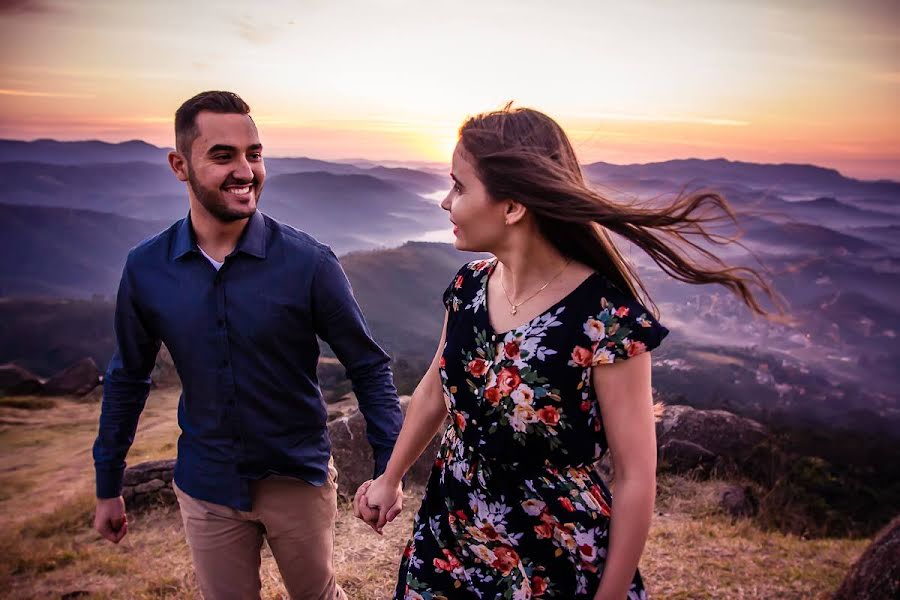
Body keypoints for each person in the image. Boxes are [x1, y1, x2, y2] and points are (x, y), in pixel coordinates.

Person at [354, 104, 780, 599]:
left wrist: (612, 594)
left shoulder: (605, 321)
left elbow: (636, 476)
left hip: (551, 555)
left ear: (512, 207)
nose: (446, 202)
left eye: (459, 186)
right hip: (449, 536)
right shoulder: (469, 286)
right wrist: (390, 478)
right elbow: (434, 391)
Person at [92, 90, 403, 600]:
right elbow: (128, 377)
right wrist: (109, 485)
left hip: (296, 478)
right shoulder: (146, 269)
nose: (246, 170)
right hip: (206, 484)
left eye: (254, 154)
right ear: (179, 165)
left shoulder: (309, 263)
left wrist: (388, 468)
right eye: (223, 155)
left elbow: (367, 365)